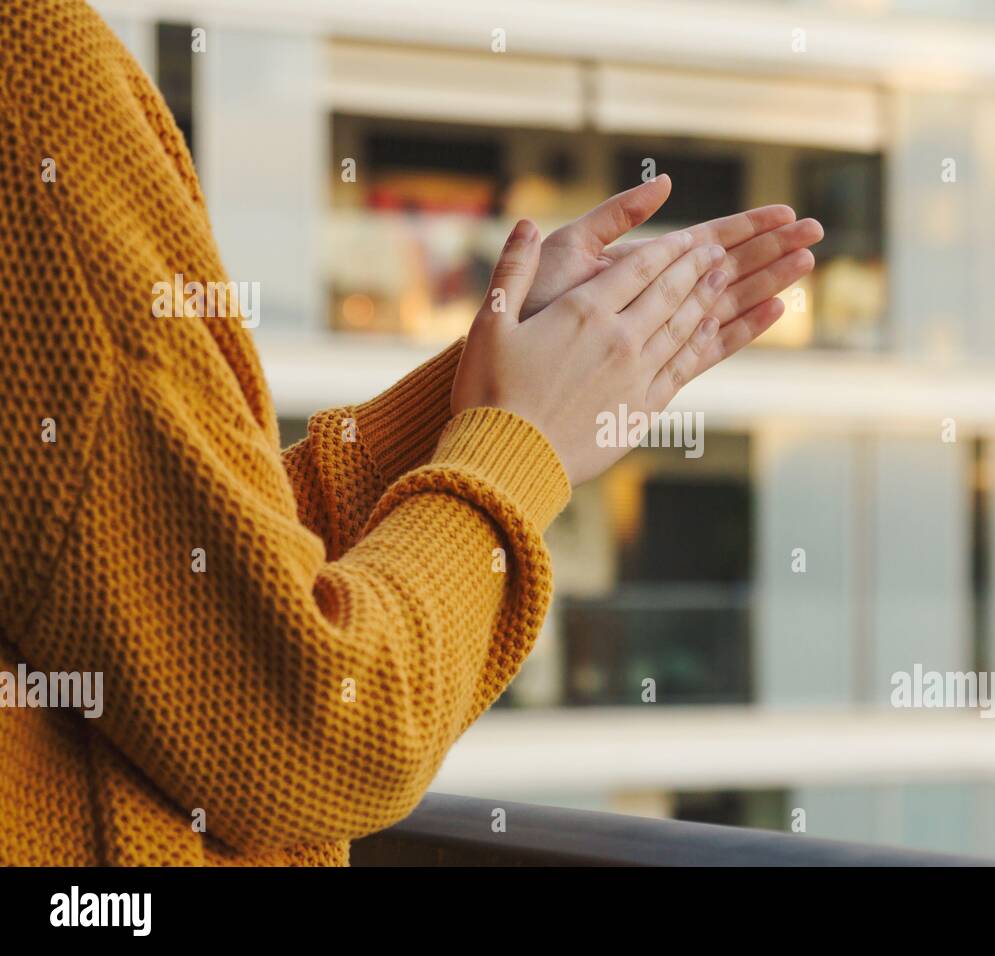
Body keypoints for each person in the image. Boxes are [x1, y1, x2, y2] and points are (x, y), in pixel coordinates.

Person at [0, 0, 822, 865]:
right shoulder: (27, 69)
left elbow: (181, 585)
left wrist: (478, 404)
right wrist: (515, 444)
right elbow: (313, 727)